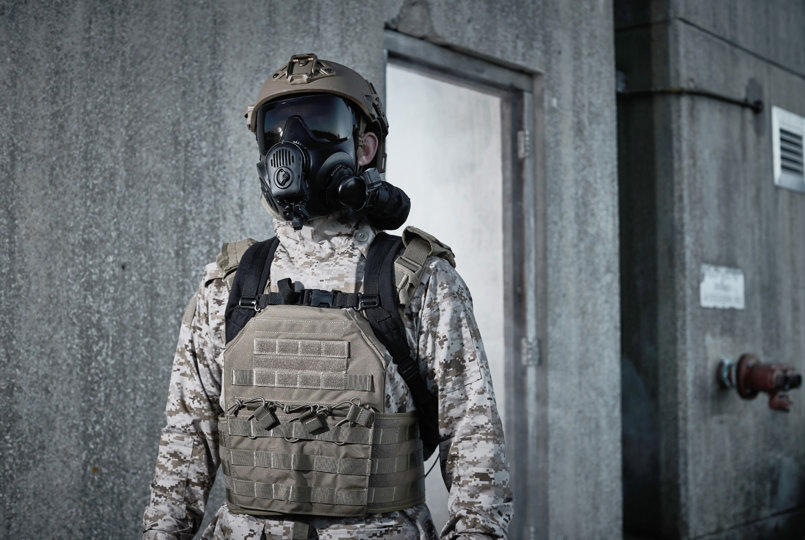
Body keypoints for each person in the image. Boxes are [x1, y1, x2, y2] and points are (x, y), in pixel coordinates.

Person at [142, 53, 512, 540]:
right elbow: (185, 442)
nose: (291, 143)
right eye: (275, 128)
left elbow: (472, 436)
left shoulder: (418, 279)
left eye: (318, 123)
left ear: (365, 147)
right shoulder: (230, 284)